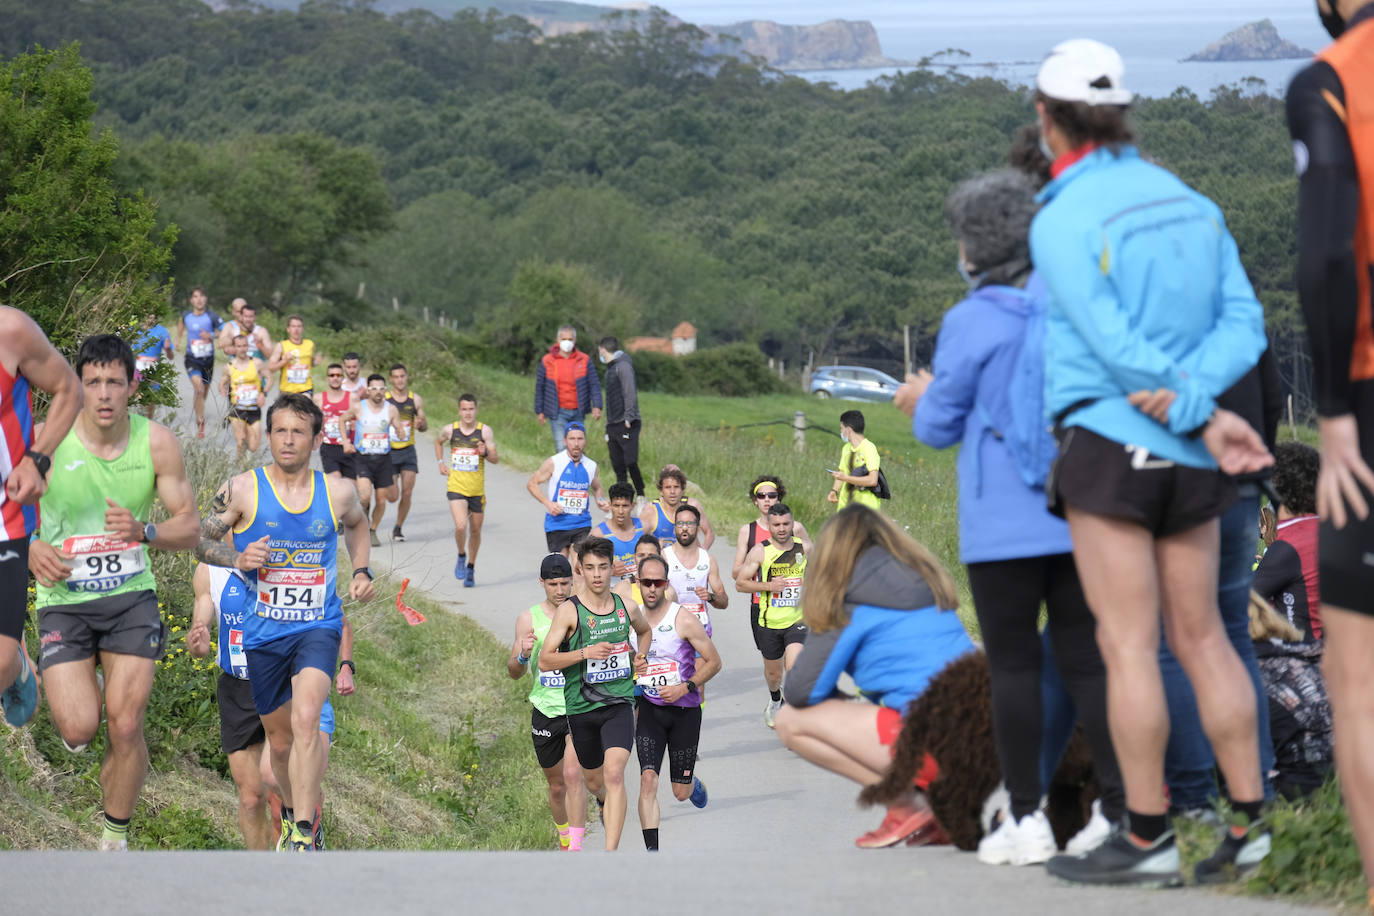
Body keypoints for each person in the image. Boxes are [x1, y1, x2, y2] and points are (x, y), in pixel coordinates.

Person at [1028, 39, 1273, 887]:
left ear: (1046, 116)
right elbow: (1246, 322)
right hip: (1196, 455)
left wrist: (1184, 406)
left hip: (1111, 444)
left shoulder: (1061, 215)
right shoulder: (1189, 200)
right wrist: (1206, 406)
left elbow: (1111, 343)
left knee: (1128, 646)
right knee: (1205, 636)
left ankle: (1146, 835)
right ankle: (1251, 826)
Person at [893, 169, 1124, 866]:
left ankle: (1025, 817)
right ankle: (1118, 806)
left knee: (1015, 670)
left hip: (1001, 527)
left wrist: (919, 398)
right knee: (1090, 662)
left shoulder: (972, 320)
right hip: (1079, 510)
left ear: (974, 248)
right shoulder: (1071, 305)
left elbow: (937, 427)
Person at [28, 334, 199, 850]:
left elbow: (190, 527)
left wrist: (145, 532)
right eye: (93, 381)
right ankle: (56, 684)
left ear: (132, 386)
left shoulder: (157, 443)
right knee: (81, 729)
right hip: (65, 600)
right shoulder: (45, 441)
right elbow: (6, 513)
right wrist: (33, 544)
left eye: (114, 383)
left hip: (131, 599)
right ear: (77, 385)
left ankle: (113, 842)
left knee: (126, 727)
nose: (103, 394)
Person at [195, 392, 374, 852]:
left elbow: (358, 524)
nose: (288, 440)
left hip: (317, 625)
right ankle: (296, 817)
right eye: (279, 430)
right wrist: (236, 556)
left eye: (298, 431)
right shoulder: (241, 489)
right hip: (263, 633)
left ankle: (304, 835)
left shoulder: (336, 492)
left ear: (315, 438)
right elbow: (199, 540)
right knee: (278, 742)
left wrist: (360, 569)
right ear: (268, 435)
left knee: (308, 716)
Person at [1287, 4, 1374, 904]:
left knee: (1359, 686)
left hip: (1370, 393)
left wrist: (1338, 415)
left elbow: (1325, 258)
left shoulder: (1334, 76)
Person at [774, 506, 976, 848]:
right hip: (986, 741)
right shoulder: (925, 580)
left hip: (939, 745)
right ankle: (938, 810)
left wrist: (840, 699)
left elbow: (800, 691)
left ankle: (908, 805)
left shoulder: (849, 600)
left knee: (790, 721)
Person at [188, 562, 353, 850]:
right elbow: (200, 628)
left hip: (282, 683)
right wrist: (198, 644)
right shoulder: (209, 570)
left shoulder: (285, 555)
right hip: (237, 688)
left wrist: (345, 665)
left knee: (278, 792)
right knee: (251, 799)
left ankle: (301, 841)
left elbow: (337, 619)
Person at [537, 537, 651, 852]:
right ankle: (601, 801)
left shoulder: (626, 606)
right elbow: (546, 661)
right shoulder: (569, 612)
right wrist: (586, 652)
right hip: (581, 709)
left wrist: (641, 655)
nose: (598, 575)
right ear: (581, 571)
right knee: (594, 782)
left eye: (603, 567)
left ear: (612, 567)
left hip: (618, 704)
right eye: (590, 568)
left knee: (615, 774)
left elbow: (645, 630)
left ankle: (609, 854)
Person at [0, 307, 82, 727]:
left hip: (5, 516)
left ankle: (15, 659)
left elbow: (69, 388)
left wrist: (37, 460)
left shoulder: (10, 330)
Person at [1251, 442, 1332, 800]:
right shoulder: (1334, 530)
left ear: (1276, 485)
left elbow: (1240, 603)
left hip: (1298, 669)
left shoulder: (1288, 544)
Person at [634, 553, 719, 849]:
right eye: (647, 583)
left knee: (679, 792)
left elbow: (714, 662)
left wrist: (685, 687)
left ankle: (692, 784)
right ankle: (653, 854)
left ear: (666, 583)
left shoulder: (682, 618)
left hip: (684, 711)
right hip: (649, 710)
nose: (652, 589)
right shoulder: (631, 620)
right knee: (647, 780)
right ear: (638, 583)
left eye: (658, 582)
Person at [508, 553, 588, 851]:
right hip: (545, 710)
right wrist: (523, 655)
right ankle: (565, 837)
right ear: (541, 583)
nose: (559, 590)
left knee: (572, 775)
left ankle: (575, 849)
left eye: (565, 583)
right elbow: (514, 673)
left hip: (579, 707)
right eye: (553, 584)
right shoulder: (528, 619)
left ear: (572, 581)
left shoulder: (584, 613)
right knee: (556, 787)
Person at [731, 474, 812, 712]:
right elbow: (739, 579)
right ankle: (776, 697)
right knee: (773, 672)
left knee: (795, 663)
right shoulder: (756, 544)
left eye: (772, 495)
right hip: (765, 613)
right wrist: (768, 584)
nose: (782, 529)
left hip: (797, 616)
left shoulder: (801, 541)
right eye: (761, 496)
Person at [435, 393, 497, 586]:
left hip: (477, 490)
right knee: (461, 525)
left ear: (476, 410)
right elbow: (438, 442)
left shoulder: (484, 432)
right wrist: (440, 463)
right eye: (464, 409)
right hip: (456, 486)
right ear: (459, 411)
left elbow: (495, 458)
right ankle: (461, 554)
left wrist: (485, 452)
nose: (468, 413)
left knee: (476, 531)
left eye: (471, 409)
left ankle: (471, 566)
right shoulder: (450, 430)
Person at [527, 422, 609, 560]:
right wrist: (548, 504)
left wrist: (600, 500)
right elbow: (532, 484)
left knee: (579, 569)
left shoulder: (591, 466)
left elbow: (597, 487)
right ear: (565, 441)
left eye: (580, 439)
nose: (576, 443)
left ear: (585, 441)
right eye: (572, 439)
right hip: (557, 523)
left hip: (581, 523)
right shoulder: (554, 462)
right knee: (560, 569)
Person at [341, 375, 402, 548]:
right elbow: (342, 419)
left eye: (381, 388)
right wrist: (346, 441)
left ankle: (372, 530)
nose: (378, 392)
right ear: (368, 390)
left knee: (382, 500)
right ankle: (363, 514)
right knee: (365, 496)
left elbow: (398, 427)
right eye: (374, 388)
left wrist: (401, 432)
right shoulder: (359, 408)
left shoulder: (391, 409)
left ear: (385, 390)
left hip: (383, 459)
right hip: (363, 458)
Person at [662, 504, 728, 639]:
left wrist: (710, 597)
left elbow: (724, 602)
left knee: (708, 661)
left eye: (690, 524)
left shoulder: (707, 560)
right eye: (680, 523)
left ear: (698, 529)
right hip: (671, 629)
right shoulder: (664, 557)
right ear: (674, 529)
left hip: (700, 629)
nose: (684, 528)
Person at [534, 325, 601, 452]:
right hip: (558, 412)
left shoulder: (584, 359)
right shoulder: (547, 360)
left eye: (570, 339)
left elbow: (594, 384)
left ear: (575, 340)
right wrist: (540, 411)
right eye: (564, 339)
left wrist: (597, 406)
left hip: (578, 411)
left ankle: (578, 471)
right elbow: (540, 387)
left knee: (577, 447)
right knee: (562, 447)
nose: (567, 342)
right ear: (558, 340)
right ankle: (564, 471)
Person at [381, 363, 428, 542]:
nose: (400, 380)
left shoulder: (415, 399)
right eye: (396, 377)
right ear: (391, 379)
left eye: (403, 376)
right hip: (389, 451)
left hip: (408, 450)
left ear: (406, 377)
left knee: (407, 492)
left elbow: (424, 424)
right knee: (393, 496)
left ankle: (398, 527)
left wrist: (421, 423)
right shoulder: (384, 399)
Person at [598, 337, 645, 507]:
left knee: (630, 461)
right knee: (618, 465)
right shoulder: (609, 370)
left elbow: (629, 392)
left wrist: (629, 417)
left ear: (602, 349)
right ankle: (622, 503)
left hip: (626, 422)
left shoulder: (622, 366)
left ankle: (640, 495)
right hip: (612, 423)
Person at [176, 286, 223, 438]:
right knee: (199, 389)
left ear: (206, 299)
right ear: (191, 300)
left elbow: (224, 330)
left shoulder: (212, 316)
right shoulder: (186, 315)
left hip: (208, 360)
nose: (199, 299)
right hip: (192, 359)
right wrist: (178, 338)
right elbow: (181, 322)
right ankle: (200, 423)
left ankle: (199, 412)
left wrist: (211, 335)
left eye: (202, 296)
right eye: (196, 296)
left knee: (204, 393)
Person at [641, 465, 715, 550]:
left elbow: (709, 533)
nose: (672, 492)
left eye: (676, 487)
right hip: (662, 561)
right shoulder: (650, 510)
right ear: (661, 491)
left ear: (683, 490)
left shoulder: (692, 506)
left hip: (687, 560)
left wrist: (702, 553)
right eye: (668, 487)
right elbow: (635, 539)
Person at [220, 334, 267, 456]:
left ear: (248, 346)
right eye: (239, 346)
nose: (242, 349)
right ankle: (240, 470)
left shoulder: (257, 363)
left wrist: (264, 393)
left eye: (244, 345)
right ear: (234, 348)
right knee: (240, 441)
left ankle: (246, 452)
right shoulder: (229, 367)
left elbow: (270, 378)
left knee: (253, 447)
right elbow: (223, 381)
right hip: (237, 410)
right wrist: (222, 388)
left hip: (253, 409)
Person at [828, 410, 881, 511]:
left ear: (848, 430)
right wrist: (834, 491)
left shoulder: (869, 448)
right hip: (845, 507)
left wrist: (846, 478)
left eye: (841, 428)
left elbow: (872, 480)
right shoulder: (846, 448)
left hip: (865, 509)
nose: (841, 432)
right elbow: (842, 473)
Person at [314, 364, 356, 482]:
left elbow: (359, 422)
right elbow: (314, 422)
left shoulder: (352, 398)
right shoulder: (318, 398)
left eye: (338, 375)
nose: (335, 378)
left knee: (350, 488)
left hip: (348, 447)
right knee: (335, 482)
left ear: (343, 378)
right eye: (332, 375)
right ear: (327, 378)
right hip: (329, 447)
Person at [596, 482, 644, 586]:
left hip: (641, 588)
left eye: (625, 506)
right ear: (609, 505)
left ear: (633, 505)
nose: (620, 511)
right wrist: (610, 571)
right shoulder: (599, 534)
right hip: (613, 590)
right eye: (616, 506)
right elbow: (583, 567)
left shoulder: (644, 527)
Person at [267, 314, 320, 397]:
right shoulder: (281, 346)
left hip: (306, 388)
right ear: (288, 329)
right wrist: (285, 360)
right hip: (287, 390)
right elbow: (271, 368)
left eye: (299, 326)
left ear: (302, 329)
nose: (296, 329)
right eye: (293, 326)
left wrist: (315, 362)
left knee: (307, 404)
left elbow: (309, 363)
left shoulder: (310, 344)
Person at [132, 313, 173, 420]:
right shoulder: (134, 330)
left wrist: (168, 349)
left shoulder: (162, 331)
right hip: (136, 371)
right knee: (140, 399)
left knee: (150, 402)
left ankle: (147, 425)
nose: (150, 316)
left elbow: (171, 356)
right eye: (147, 312)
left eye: (153, 313)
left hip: (153, 373)